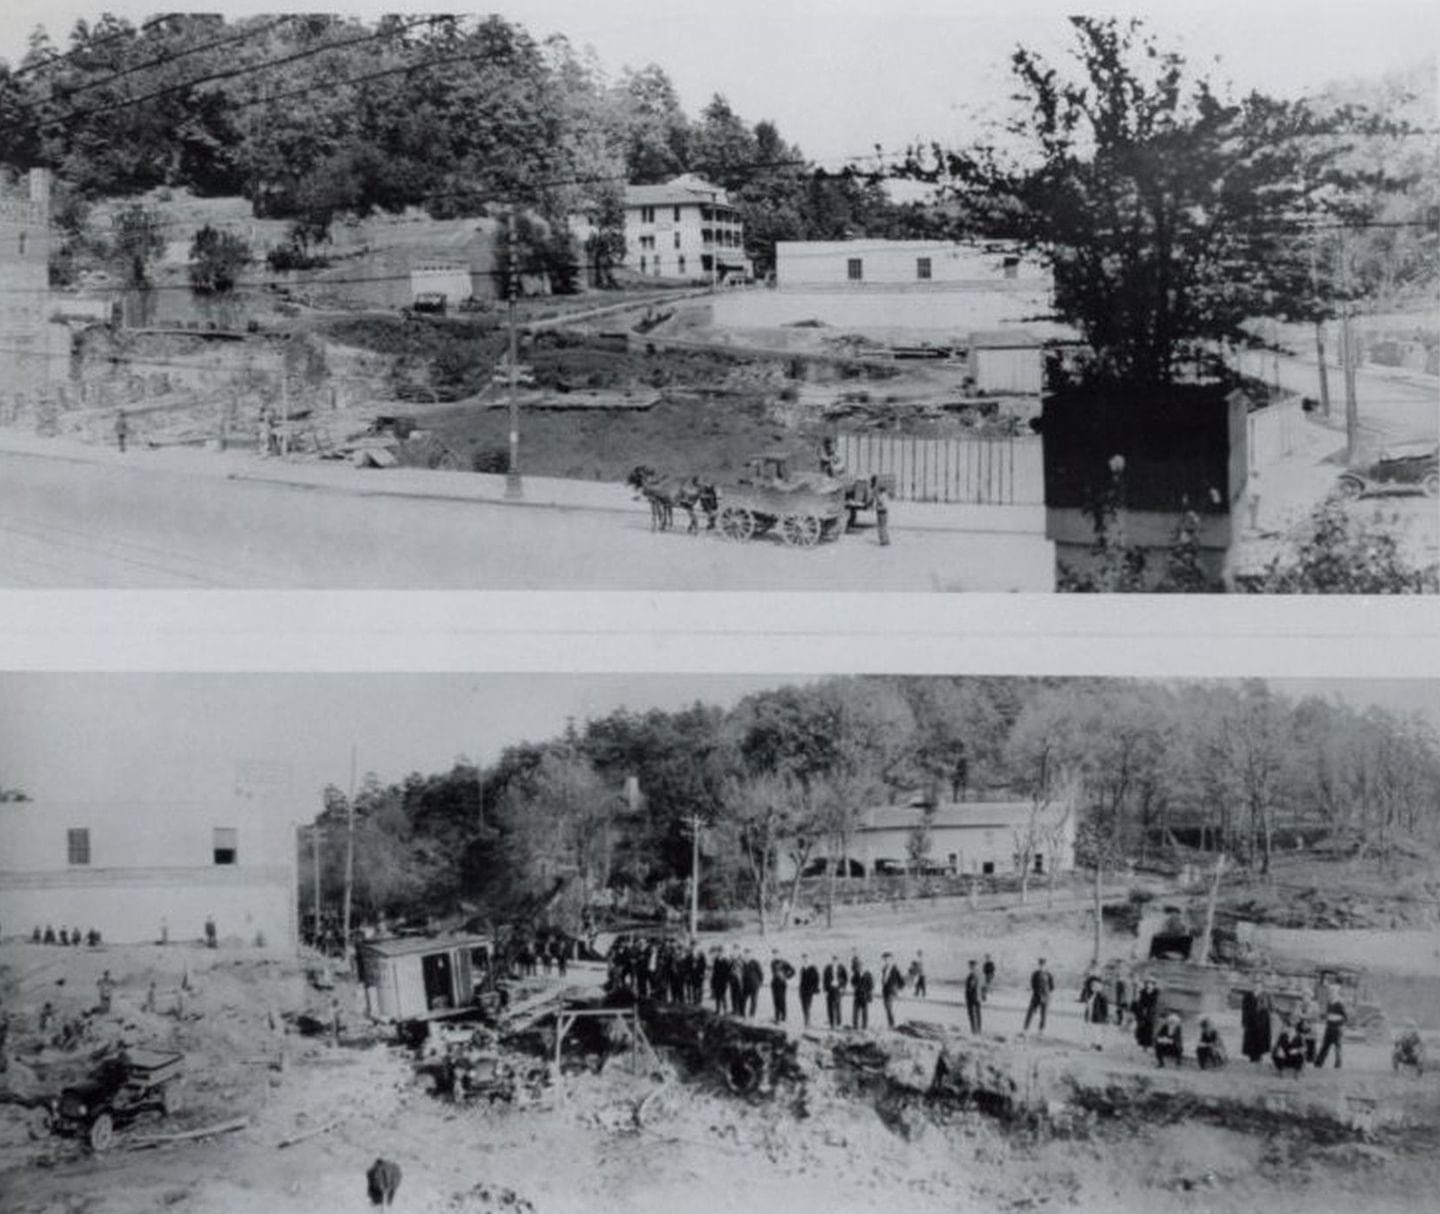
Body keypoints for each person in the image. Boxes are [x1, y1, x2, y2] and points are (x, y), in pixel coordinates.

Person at [1240, 979, 1274, 1064]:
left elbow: (1272, 1007)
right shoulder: (1248, 995)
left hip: (1263, 1021)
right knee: (1251, 1039)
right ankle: (1252, 1057)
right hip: (1251, 1021)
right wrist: (1244, 1021)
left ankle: (1259, 1057)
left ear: (1262, 987)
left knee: (1261, 1039)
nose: (1256, 987)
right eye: (1255, 985)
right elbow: (1244, 1009)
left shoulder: (1266, 995)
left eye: (1258, 985)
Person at [1314, 987, 1348, 1069]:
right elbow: (1328, 1014)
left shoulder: (1340, 1004)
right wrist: (1323, 1016)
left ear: (1337, 994)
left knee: (1337, 1047)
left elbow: (1345, 1017)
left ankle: (1338, 1065)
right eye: (1330, 993)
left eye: (1333, 993)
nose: (1331, 994)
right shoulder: (1329, 1003)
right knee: (1325, 1045)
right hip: (1329, 1027)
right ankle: (1319, 1063)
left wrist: (1338, 1022)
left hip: (1337, 1028)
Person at [1023, 958, 1054, 1034]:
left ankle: (1041, 1030)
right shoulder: (1035, 973)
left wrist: (1046, 993)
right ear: (1038, 965)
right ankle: (1025, 1029)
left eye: (1043, 965)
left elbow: (1052, 986)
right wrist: (1037, 992)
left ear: (1045, 965)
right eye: (1040, 965)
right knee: (1030, 1013)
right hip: (1036, 996)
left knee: (1044, 1015)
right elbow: (1032, 984)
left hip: (1046, 997)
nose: (1041, 966)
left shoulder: (1049, 974)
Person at [880, 953, 906, 1029]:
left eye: (887, 959)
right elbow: (884, 980)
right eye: (884, 959)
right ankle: (891, 1024)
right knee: (886, 1007)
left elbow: (901, 980)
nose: (886, 961)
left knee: (888, 1007)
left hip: (891, 990)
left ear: (891, 959)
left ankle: (891, 1024)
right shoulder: (884, 968)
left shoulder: (895, 968)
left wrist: (898, 988)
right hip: (885, 990)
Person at [769, 949, 796, 1024]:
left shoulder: (784, 962)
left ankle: (783, 1017)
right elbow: (774, 973)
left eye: (776, 954)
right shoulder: (772, 963)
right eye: (774, 954)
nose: (775, 955)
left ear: (779, 954)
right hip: (774, 983)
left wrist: (786, 977)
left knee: (782, 1000)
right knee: (775, 1000)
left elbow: (793, 971)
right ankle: (777, 1017)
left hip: (782, 984)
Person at [823, 955, 846, 1029]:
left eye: (836, 960)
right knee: (829, 1006)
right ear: (831, 960)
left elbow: (845, 978)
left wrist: (842, 987)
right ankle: (831, 1023)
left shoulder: (841, 967)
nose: (834, 961)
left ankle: (839, 1023)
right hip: (830, 989)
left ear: (838, 961)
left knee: (838, 1006)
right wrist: (825, 990)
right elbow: (824, 979)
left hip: (838, 989)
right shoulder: (827, 968)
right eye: (833, 960)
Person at [741, 949, 764, 1019]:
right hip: (745, 985)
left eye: (748, 954)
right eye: (745, 954)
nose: (747, 955)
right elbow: (742, 974)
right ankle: (742, 1013)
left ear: (751, 955)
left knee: (753, 1000)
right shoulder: (743, 963)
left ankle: (752, 1014)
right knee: (743, 999)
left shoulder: (755, 962)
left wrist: (760, 983)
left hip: (754, 984)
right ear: (744, 955)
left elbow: (761, 973)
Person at [798, 955, 820, 1028]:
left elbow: (817, 979)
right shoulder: (802, 968)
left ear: (809, 960)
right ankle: (806, 1021)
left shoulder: (813, 968)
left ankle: (807, 1022)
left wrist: (815, 988)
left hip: (809, 991)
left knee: (807, 1006)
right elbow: (801, 980)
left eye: (806, 959)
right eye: (804, 959)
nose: (805, 960)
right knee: (803, 1007)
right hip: (802, 990)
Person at [852, 962, 874, 1030]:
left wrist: (865, 990)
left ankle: (864, 1026)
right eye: (859, 967)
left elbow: (871, 985)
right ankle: (855, 1026)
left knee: (865, 1012)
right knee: (855, 1012)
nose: (860, 968)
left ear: (864, 967)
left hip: (865, 996)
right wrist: (855, 986)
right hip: (857, 995)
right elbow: (852, 982)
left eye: (861, 967)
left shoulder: (868, 974)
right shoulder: (856, 974)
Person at [710, 947, 730, 1014]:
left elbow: (728, 972)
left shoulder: (725, 961)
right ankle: (717, 1010)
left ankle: (725, 1010)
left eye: (721, 952)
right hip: (717, 981)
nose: (719, 953)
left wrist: (727, 981)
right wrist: (713, 982)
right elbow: (714, 972)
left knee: (723, 996)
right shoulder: (716, 960)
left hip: (723, 981)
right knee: (717, 996)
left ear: (723, 953)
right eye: (719, 952)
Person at [964, 960, 983, 1034]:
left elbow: (971, 986)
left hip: (972, 997)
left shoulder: (973, 975)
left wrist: (968, 991)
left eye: (971, 965)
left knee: (972, 1015)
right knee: (977, 1014)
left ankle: (974, 1031)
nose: (970, 967)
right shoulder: (979, 974)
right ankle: (978, 1030)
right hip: (977, 997)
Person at [874, 479, 890, 546]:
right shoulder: (884, 495)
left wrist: (876, 496)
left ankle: (884, 541)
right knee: (882, 527)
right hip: (882, 511)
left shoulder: (882, 496)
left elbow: (880, 502)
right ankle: (884, 540)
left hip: (882, 512)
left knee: (881, 527)